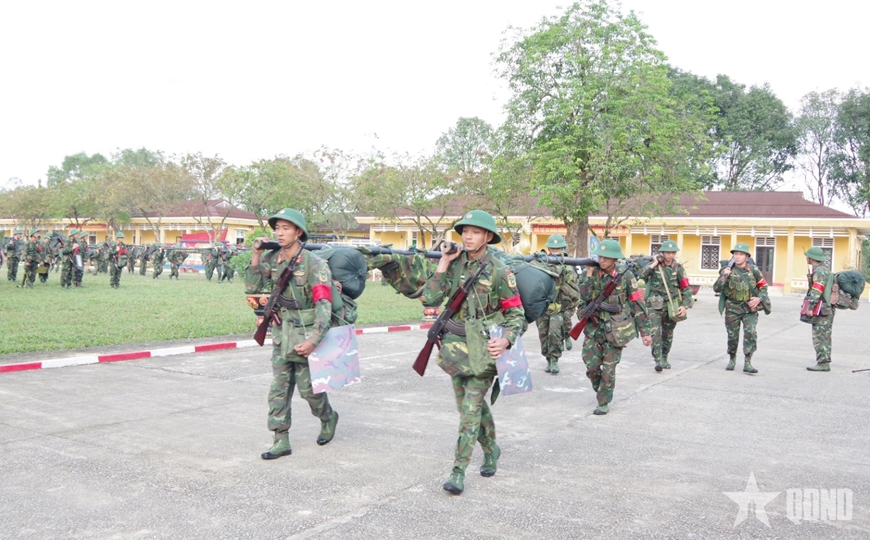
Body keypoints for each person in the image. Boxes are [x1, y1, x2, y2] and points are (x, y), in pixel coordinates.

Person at [422, 210, 525, 496]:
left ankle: (458, 471)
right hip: (455, 348)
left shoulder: (500, 271)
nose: (468, 236)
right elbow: (429, 299)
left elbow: (517, 314)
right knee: (470, 407)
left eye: (476, 231)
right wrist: (443, 263)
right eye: (465, 230)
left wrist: (505, 340)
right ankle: (491, 447)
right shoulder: (454, 265)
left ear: (488, 237)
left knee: (469, 411)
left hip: (484, 348)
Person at [245, 208, 339, 460]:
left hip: (306, 333)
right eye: (277, 228)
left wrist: (313, 340)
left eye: (286, 228)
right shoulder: (273, 258)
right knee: (279, 389)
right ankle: (280, 439)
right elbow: (252, 287)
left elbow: (324, 305)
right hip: (282, 332)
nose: (280, 232)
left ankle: (328, 417)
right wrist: (256, 254)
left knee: (309, 391)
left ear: (299, 232)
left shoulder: (314, 264)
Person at [578, 239, 652, 415]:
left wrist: (645, 332)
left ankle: (603, 400)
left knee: (609, 369)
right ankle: (602, 390)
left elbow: (637, 304)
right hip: (593, 328)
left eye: (606, 257)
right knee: (592, 367)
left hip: (615, 330)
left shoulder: (626, 276)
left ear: (615, 259)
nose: (601, 260)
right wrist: (588, 273)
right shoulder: (592, 272)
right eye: (600, 256)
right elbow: (584, 295)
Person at [713, 243, 770, 373]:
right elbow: (716, 288)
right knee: (732, 336)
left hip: (749, 308)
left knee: (750, 333)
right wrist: (724, 276)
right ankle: (732, 358)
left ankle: (748, 362)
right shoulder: (726, 270)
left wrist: (758, 298)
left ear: (746, 256)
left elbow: (764, 287)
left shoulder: (754, 271)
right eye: (736, 254)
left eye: (741, 254)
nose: (738, 257)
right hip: (732, 307)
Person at [639, 240, 694, 372]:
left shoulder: (678, 268)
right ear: (662, 253)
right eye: (667, 252)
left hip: (672, 305)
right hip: (655, 305)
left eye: (672, 253)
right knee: (655, 332)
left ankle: (664, 356)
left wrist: (685, 306)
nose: (670, 255)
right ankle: (657, 359)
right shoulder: (654, 266)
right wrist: (653, 264)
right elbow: (641, 276)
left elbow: (686, 288)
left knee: (668, 333)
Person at [535, 234, 581, 375]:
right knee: (543, 335)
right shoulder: (541, 262)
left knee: (554, 333)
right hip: (543, 306)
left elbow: (574, 287)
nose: (555, 251)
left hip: (559, 306)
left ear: (563, 248)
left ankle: (554, 359)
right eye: (553, 248)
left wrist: (571, 306)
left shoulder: (567, 264)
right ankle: (548, 358)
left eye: (558, 248)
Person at [802, 247, 835, 372]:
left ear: (812, 258)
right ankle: (824, 361)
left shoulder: (819, 272)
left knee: (820, 336)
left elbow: (816, 290)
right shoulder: (823, 270)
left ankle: (823, 363)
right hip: (826, 308)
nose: (807, 258)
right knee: (825, 336)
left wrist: (810, 307)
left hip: (822, 308)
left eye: (808, 256)